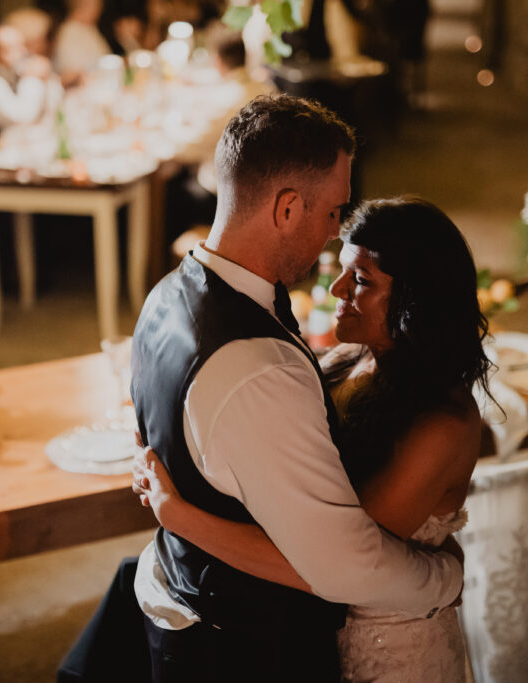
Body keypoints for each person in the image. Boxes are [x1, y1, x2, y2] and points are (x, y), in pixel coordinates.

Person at [58, 95, 464, 683]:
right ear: (287, 208)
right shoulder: (255, 369)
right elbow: (345, 564)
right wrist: (446, 576)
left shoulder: (169, 293)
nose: (332, 233)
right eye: (331, 212)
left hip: (187, 603)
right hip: (241, 653)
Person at [133, 196, 492, 681]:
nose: (337, 287)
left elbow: (334, 569)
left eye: (362, 281)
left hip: (390, 649)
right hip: (314, 634)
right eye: (343, 270)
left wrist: (178, 516)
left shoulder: (442, 425)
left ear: (416, 300)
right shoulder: (351, 361)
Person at [53, 0, 111, 87]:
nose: (100, 10)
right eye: (96, 6)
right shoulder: (70, 33)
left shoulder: (90, 29)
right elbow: (71, 74)